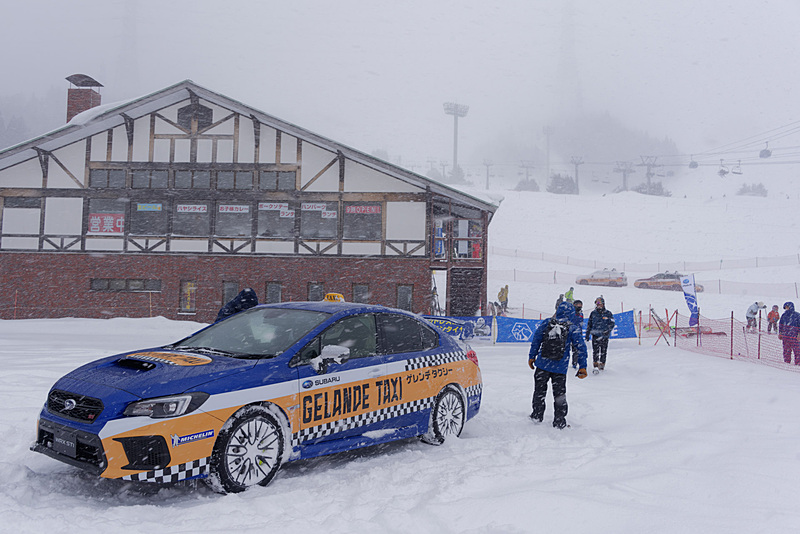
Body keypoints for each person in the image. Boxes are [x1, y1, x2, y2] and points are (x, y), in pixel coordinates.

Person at [528, 301, 588, 429]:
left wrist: (532, 357)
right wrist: (582, 366)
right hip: (560, 368)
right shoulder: (572, 328)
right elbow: (581, 348)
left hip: (542, 365)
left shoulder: (547, 323)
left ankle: (537, 415)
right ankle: (559, 421)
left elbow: (536, 339)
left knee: (539, 391)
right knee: (559, 395)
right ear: (571, 313)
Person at [586, 296, 615, 371]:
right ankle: (595, 365)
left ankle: (602, 365)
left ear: (603, 304)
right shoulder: (593, 313)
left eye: (600, 303)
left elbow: (612, 323)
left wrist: (607, 330)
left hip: (604, 336)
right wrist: (587, 335)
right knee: (595, 351)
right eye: (597, 303)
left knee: (603, 351)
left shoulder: (608, 313)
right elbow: (589, 324)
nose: (599, 305)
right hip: (595, 335)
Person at [571, 300, 584, 368]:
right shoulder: (571, 312)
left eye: (580, 305)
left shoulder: (581, 314)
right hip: (570, 332)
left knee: (576, 349)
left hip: (578, 333)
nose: (579, 306)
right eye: (578, 305)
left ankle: (574, 363)